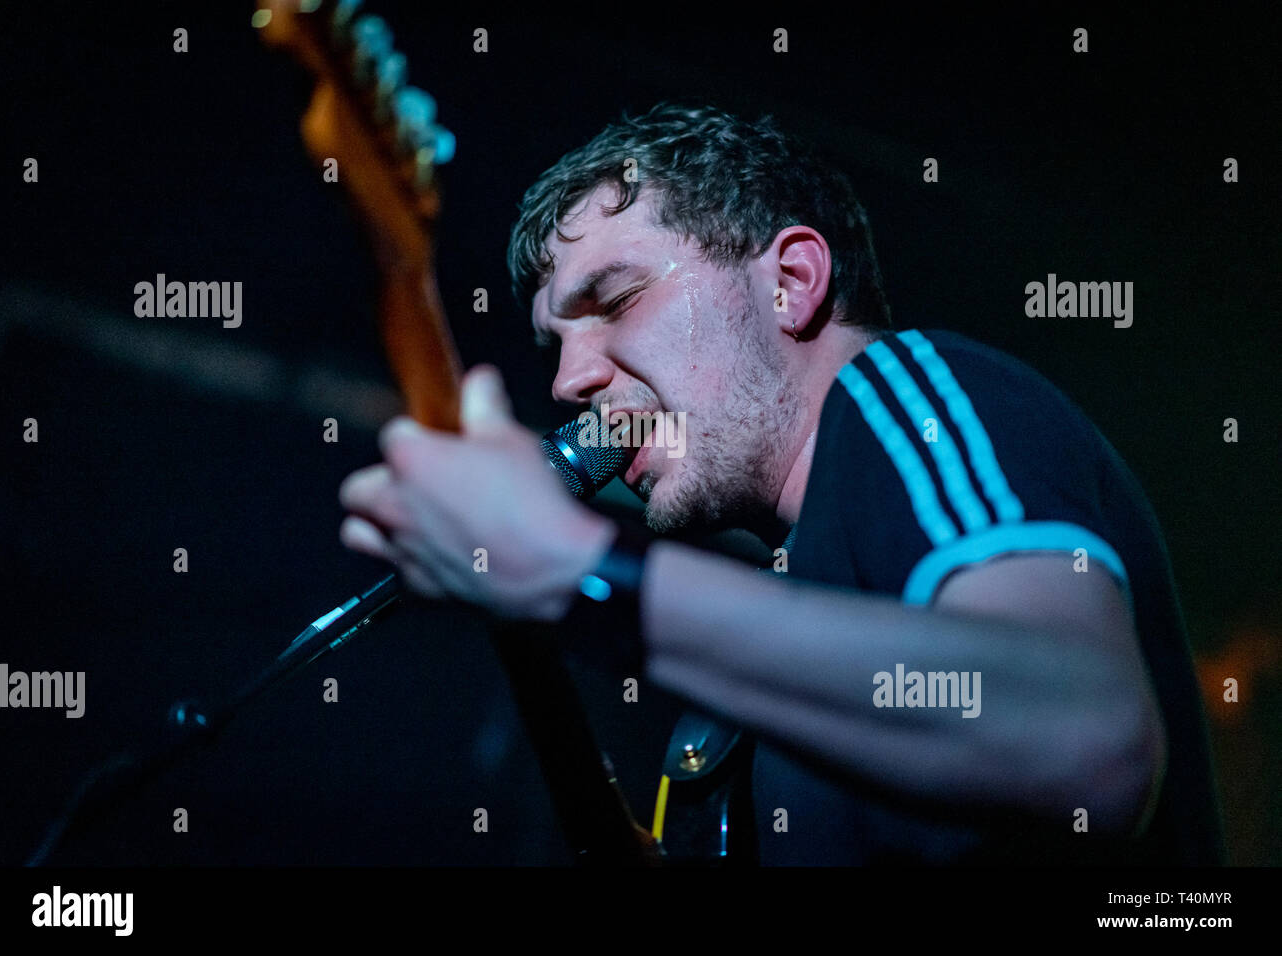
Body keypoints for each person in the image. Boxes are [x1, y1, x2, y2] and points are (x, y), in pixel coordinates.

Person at [337, 103, 1223, 865]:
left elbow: (1083, 738)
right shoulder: (761, 670)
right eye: (554, 347)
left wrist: (575, 570)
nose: (571, 382)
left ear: (791, 285)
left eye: (612, 302)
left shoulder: (903, 395)